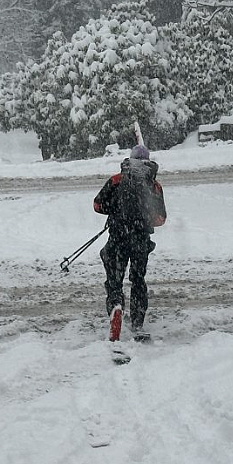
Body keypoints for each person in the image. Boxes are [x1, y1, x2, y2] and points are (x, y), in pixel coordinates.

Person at [93, 144, 166, 342]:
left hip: (117, 238)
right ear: (148, 162)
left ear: (130, 160)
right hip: (141, 241)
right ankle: (137, 322)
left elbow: (97, 204)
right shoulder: (154, 185)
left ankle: (116, 307)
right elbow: (160, 218)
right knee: (138, 280)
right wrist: (143, 219)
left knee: (114, 281)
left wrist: (116, 210)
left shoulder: (117, 180)